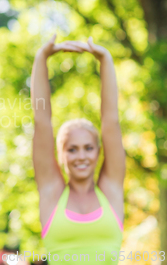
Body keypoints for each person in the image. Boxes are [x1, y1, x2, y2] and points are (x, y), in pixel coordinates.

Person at [30, 35, 125, 264]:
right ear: (61, 156)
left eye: (88, 148)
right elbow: (41, 122)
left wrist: (105, 59)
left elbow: (110, 121)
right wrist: (42, 56)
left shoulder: (111, 191)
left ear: (98, 152)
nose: (81, 156)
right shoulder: (52, 193)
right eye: (72, 149)